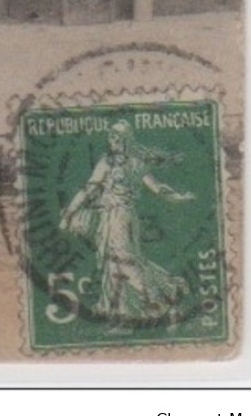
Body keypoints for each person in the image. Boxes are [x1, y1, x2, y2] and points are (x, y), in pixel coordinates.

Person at [59, 120, 193, 326]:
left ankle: (166, 304)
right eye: (111, 137)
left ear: (126, 140)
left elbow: (156, 187)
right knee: (119, 263)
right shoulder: (124, 163)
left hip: (119, 218)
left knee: (125, 263)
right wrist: (69, 213)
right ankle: (123, 314)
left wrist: (178, 197)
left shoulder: (118, 163)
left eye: (116, 137)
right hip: (120, 218)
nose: (112, 141)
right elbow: (89, 190)